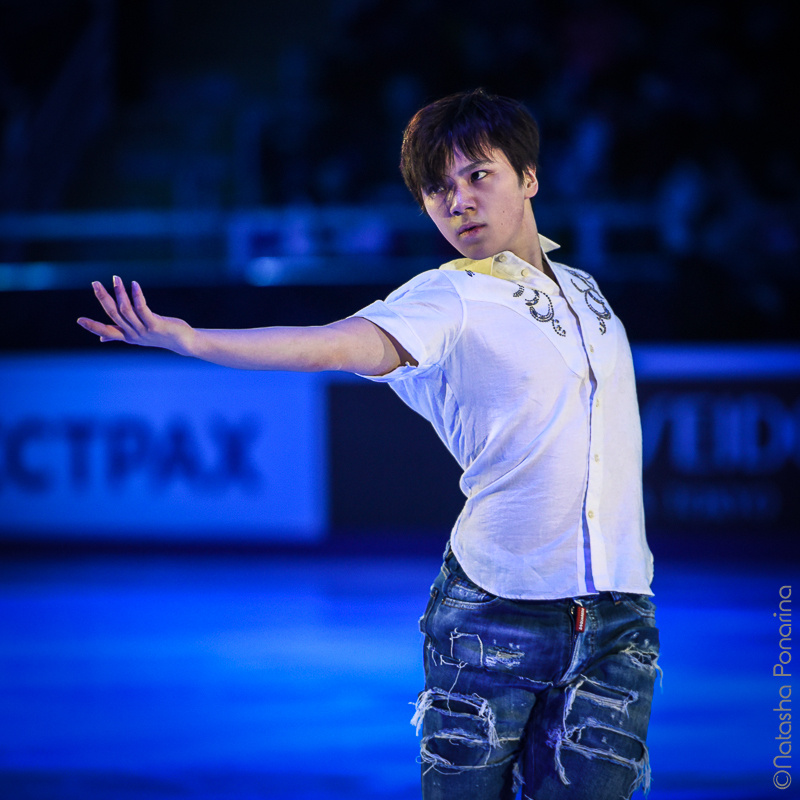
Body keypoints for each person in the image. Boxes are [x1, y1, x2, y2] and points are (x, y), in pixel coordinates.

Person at [78, 88, 659, 800]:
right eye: (437, 189)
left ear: (529, 178)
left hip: (620, 617)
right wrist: (196, 341)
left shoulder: (588, 292)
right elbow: (327, 345)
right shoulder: (446, 299)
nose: (459, 202)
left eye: (479, 175)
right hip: (496, 614)